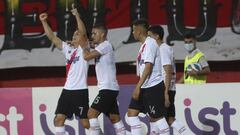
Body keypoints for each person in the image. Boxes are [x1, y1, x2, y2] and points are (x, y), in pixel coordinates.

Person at [39, 6, 90, 135]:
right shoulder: (68, 49)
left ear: (83, 39)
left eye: (77, 34)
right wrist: (44, 22)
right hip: (67, 90)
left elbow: (83, 32)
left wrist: (77, 15)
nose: (74, 35)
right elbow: (52, 38)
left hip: (80, 91)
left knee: (86, 123)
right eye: (74, 34)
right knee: (58, 119)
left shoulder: (84, 48)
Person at [79, 23, 126, 135]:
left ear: (103, 34)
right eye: (92, 33)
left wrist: (84, 47)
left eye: (95, 33)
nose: (92, 35)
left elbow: (86, 57)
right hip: (109, 88)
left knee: (91, 114)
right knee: (115, 118)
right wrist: (78, 44)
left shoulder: (105, 45)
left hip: (107, 89)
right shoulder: (102, 46)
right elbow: (89, 44)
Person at [127, 19, 170, 135]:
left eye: (133, 30)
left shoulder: (150, 44)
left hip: (153, 87)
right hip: (145, 87)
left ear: (139, 31)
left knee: (157, 118)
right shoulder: (143, 46)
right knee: (131, 113)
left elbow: (148, 67)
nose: (132, 33)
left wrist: (137, 87)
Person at [148, 25, 190, 135]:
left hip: (164, 89)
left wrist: (165, 92)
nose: (148, 39)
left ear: (156, 36)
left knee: (155, 118)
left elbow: (168, 71)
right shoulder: (164, 48)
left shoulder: (162, 49)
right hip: (168, 88)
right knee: (169, 119)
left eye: (149, 36)